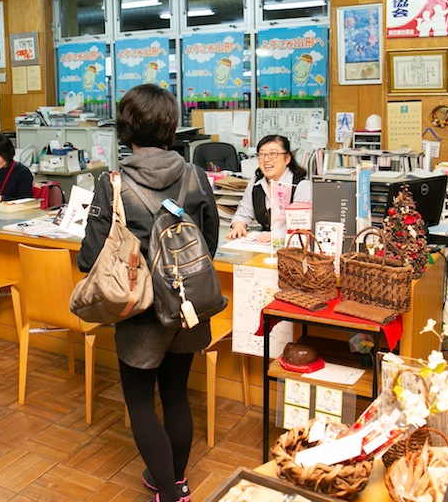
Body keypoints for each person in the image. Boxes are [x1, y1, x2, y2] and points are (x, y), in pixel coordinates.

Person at [78, 84, 218, 502]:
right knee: (176, 394)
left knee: (140, 404)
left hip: (139, 308)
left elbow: (90, 257)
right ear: (170, 126)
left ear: (125, 128)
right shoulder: (195, 174)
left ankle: (170, 495)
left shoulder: (114, 182)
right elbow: (210, 242)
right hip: (190, 303)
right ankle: (175, 480)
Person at [226, 134, 312, 239]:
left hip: (291, 246)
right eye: (262, 154)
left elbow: (302, 225)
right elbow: (243, 213)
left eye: (273, 154)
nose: (266, 159)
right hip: (263, 245)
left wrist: (277, 235)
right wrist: (239, 226)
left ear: (287, 158)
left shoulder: (301, 186)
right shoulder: (255, 183)